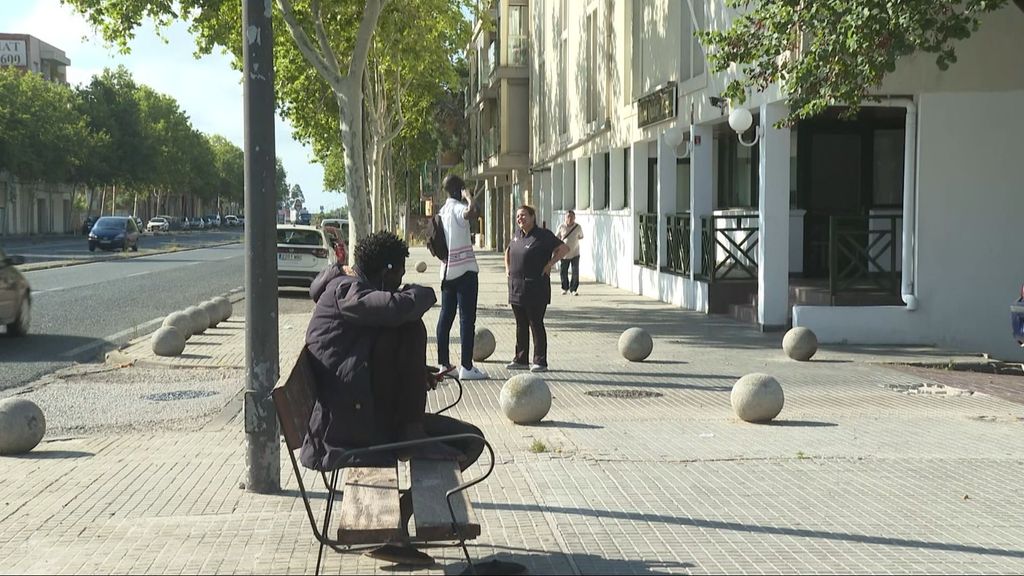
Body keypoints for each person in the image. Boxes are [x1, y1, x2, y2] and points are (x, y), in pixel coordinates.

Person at [300, 231, 484, 474]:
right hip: (342, 431)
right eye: (399, 274)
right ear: (386, 272)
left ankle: (412, 448)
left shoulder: (352, 289)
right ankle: (412, 436)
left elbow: (369, 356)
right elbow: (397, 307)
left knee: (471, 438)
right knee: (409, 323)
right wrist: (424, 293)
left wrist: (414, 375)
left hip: (359, 413)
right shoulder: (346, 292)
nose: (400, 282)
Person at [435, 175, 489, 381]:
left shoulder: (442, 211)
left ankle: (443, 364)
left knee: (445, 317)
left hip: (447, 272)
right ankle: (467, 366)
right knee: (467, 319)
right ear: (459, 190)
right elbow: (471, 213)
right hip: (465, 270)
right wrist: (469, 197)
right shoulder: (457, 208)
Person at [504, 205, 569, 373]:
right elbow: (508, 250)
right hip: (516, 288)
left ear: (533, 217)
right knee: (520, 325)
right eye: (518, 216)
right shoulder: (517, 235)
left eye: (524, 215)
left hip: (536, 288)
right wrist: (507, 268)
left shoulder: (543, 236)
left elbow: (564, 249)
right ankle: (521, 359)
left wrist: (549, 264)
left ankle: (540, 361)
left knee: (535, 324)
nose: (520, 219)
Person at [556, 210, 584, 296]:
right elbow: (557, 237)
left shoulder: (578, 227)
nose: (570, 218)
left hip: (575, 252)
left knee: (575, 271)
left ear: (574, 218)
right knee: (563, 271)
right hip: (564, 254)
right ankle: (564, 287)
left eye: (572, 217)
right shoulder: (561, 226)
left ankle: (573, 289)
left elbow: (581, 236)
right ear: (565, 218)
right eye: (568, 217)